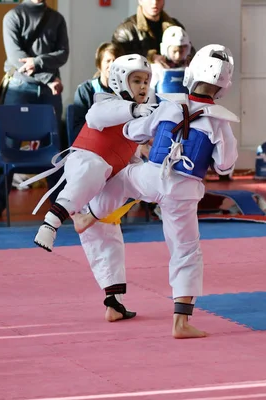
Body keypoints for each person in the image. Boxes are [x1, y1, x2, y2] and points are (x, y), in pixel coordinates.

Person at [73, 44, 239, 339]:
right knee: (186, 251)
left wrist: (151, 127)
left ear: (192, 72)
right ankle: (181, 323)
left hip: (152, 175)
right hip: (183, 191)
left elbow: (133, 133)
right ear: (223, 85)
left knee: (121, 178)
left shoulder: (168, 105)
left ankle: (89, 214)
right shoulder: (220, 122)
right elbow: (225, 166)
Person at [32, 54, 157, 252]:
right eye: (136, 81)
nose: (143, 86)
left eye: (146, 82)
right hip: (86, 163)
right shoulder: (105, 103)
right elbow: (95, 117)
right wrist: (134, 110)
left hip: (106, 179)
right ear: (121, 81)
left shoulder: (137, 118)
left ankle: (88, 219)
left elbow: (130, 154)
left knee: (138, 179)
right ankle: (51, 222)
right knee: (95, 168)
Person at [0, 0, 69, 219]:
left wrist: (39, 63)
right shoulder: (12, 17)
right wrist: (48, 76)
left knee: (54, 148)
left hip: (49, 91)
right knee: (8, 144)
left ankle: (60, 205)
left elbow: (63, 54)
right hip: (20, 87)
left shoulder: (57, 18)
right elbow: (16, 59)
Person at [112, 0, 190, 67]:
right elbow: (118, 58)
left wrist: (186, 56)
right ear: (140, 0)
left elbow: (190, 50)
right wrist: (149, 57)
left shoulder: (175, 26)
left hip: (172, 79)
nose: (154, 2)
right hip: (140, 81)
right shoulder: (125, 29)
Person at [71, 42, 124, 136]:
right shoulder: (85, 90)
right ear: (99, 65)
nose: (112, 65)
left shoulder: (126, 91)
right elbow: (77, 127)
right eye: (108, 61)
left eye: (115, 61)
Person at [150, 25, 191, 97]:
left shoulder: (191, 69)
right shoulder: (157, 69)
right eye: (174, 51)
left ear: (188, 50)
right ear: (165, 49)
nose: (178, 56)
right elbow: (149, 92)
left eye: (181, 52)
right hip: (161, 106)